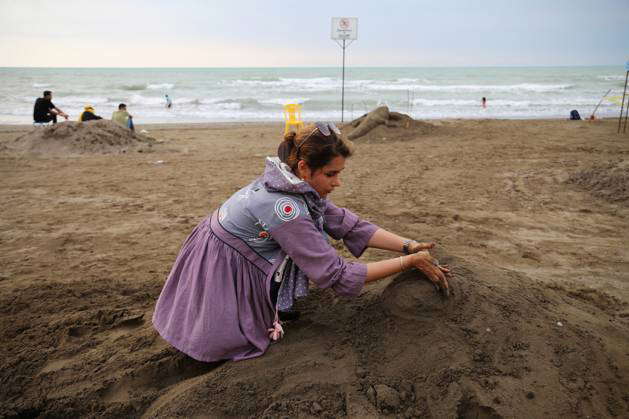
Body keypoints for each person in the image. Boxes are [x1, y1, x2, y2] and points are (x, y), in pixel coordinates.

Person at [152, 122, 452, 363]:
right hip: (221, 263)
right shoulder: (287, 209)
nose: (338, 182)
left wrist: (408, 245)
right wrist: (408, 263)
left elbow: (349, 224)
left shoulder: (289, 181)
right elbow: (337, 275)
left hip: (225, 246)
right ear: (305, 168)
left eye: (340, 173)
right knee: (228, 338)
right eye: (331, 174)